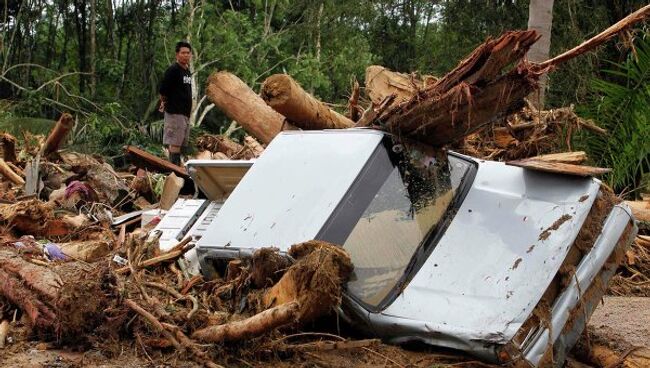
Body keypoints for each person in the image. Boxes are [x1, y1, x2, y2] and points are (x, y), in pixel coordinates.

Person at [159, 41, 193, 166]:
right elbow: (163, 90)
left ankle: (176, 168)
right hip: (174, 112)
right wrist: (165, 102)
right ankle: (173, 170)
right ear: (177, 55)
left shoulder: (187, 71)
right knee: (175, 142)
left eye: (188, 53)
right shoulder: (173, 70)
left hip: (184, 113)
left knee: (180, 142)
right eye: (183, 53)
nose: (186, 55)